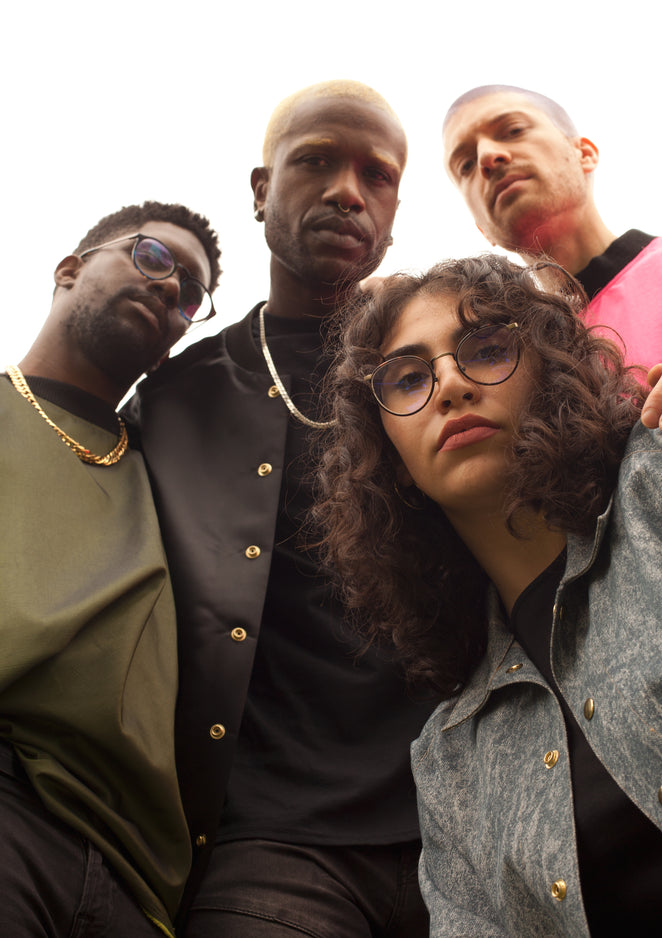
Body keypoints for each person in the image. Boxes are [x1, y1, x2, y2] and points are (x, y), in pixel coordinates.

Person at [314, 254, 662, 936]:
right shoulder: (450, 760)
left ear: (551, 371)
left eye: (486, 350)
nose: (451, 384)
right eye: (407, 378)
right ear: (387, 455)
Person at [125, 81, 433, 936]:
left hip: (469, 816)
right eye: (316, 161)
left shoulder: (453, 374)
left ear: (395, 214)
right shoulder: (177, 398)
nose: (347, 190)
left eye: (378, 176)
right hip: (271, 845)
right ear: (261, 191)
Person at [1, 201, 221, 937]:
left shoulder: (180, 479)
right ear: (68, 270)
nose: (168, 288)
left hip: (140, 879)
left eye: (190, 292)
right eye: (152, 257)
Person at [442, 83, 662, 438]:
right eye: (465, 164)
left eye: (513, 131)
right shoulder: (513, 371)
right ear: (482, 229)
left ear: (584, 153)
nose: (486, 158)